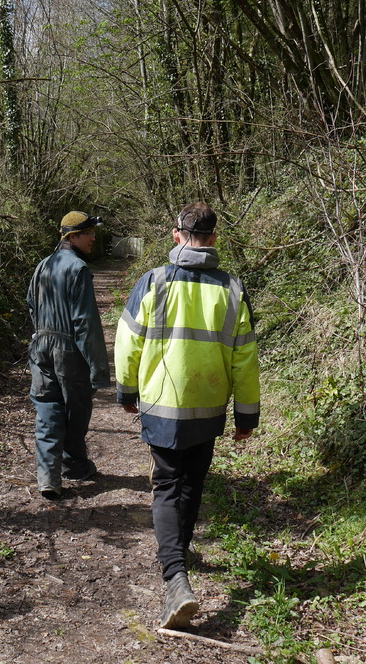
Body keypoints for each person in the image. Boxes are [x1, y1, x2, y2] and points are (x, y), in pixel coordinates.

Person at [114, 201, 260, 628]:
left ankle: (176, 577)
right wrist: (246, 416)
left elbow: (128, 342)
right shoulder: (232, 288)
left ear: (177, 235)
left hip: (161, 407)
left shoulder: (153, 282)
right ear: (214, 240)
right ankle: (182, 549)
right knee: (193, 481)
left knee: (166, 485)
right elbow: (245, 357)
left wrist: (127, 391)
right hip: (208, 407)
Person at [27, 211, 111, 500]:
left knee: (48, 408)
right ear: (72, 237)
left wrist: (42, 336)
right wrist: (99, 370)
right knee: (76, 410)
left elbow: (30, 304)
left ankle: (48, 476)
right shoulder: (78, 269)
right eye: (88, 233)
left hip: (39, 345)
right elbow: (85, 322)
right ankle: (74, 466)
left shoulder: (42, 266)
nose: (93, 238)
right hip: (68, 349)